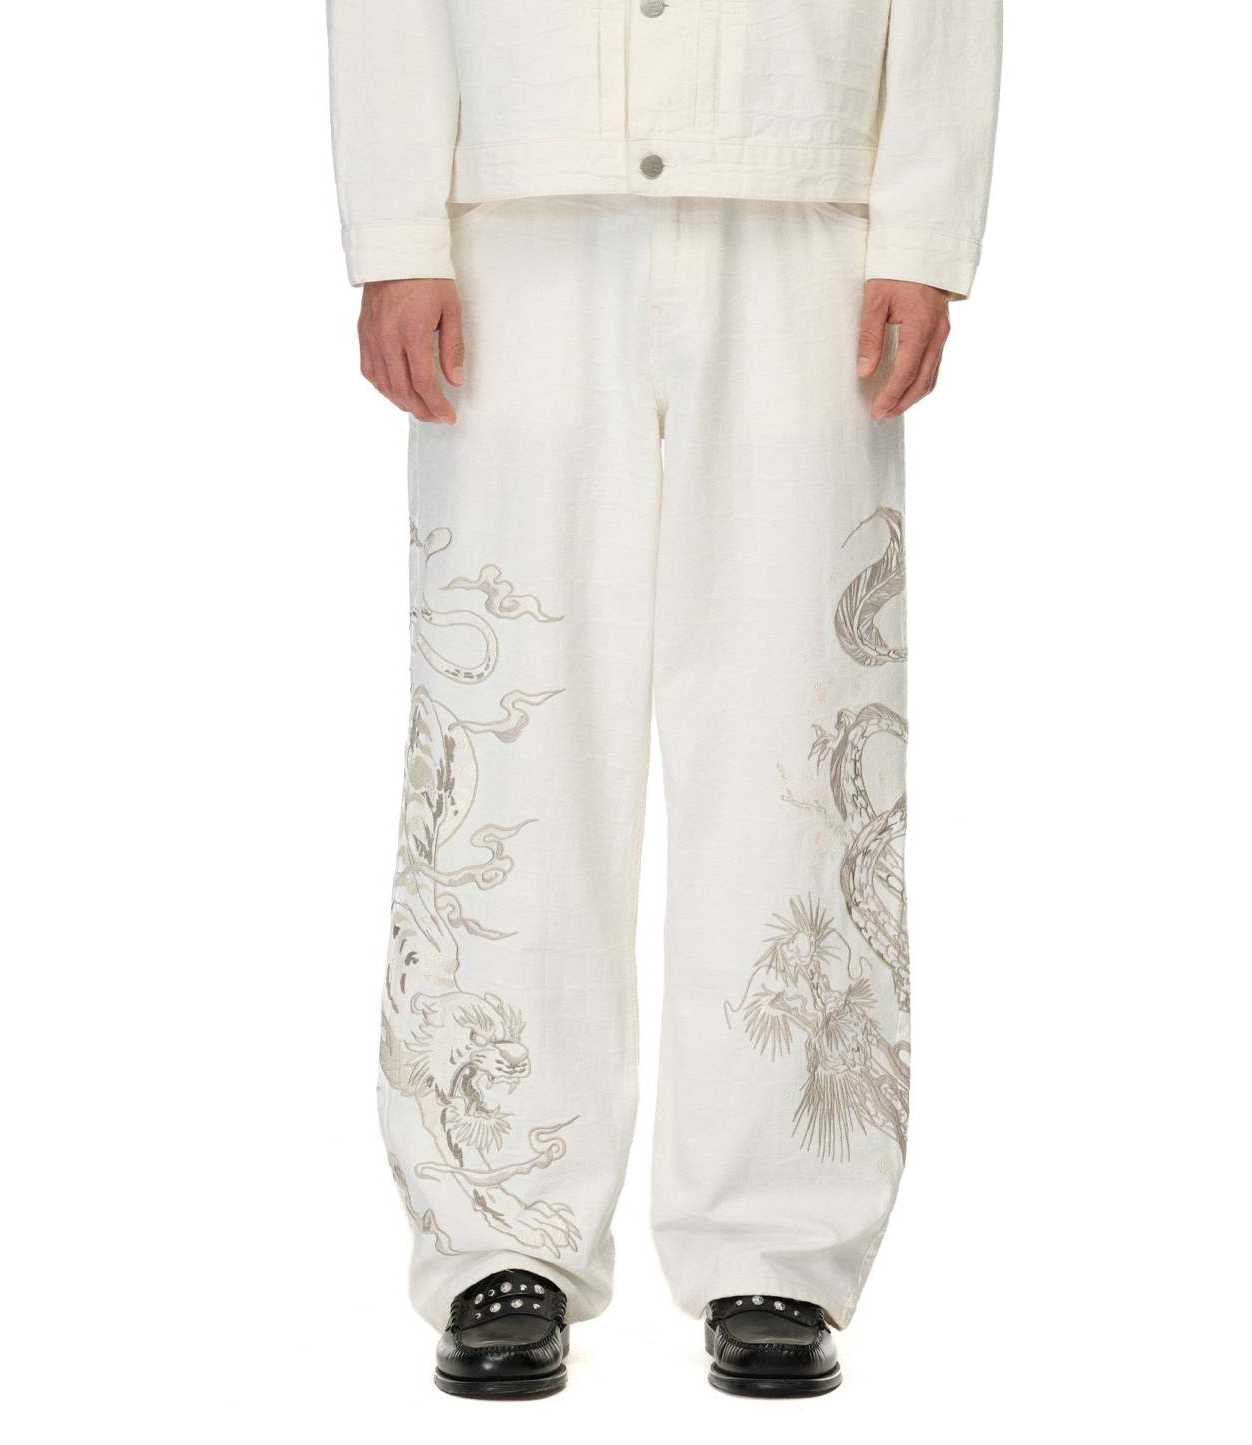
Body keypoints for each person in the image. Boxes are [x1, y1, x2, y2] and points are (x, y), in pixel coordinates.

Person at [327, 0, 1001, 1400]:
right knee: (506, 730)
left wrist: (924, 226)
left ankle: (779, 1238)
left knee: (797, 731)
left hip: (802, 202)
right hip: (515, 212)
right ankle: (495, 1226)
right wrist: (394, 232)